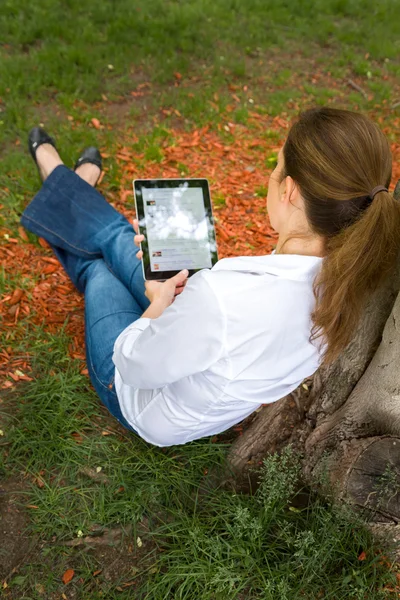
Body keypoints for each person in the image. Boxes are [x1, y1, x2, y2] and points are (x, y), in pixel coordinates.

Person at [20, 108, 400, 447]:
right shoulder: (347, 279)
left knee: (99, 270)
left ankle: (62, 179)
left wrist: (158, 305)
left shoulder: (223, 300)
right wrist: (181, 300)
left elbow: (133, 365)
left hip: (140, 400)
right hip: (199, 347)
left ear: (289, 190)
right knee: (122, 241)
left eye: (275, 166)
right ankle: (71, 188)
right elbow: (228, 317)